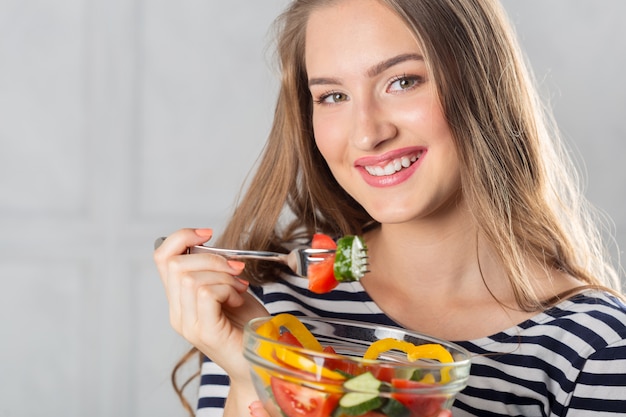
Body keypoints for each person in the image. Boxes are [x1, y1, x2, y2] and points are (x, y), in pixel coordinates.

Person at [153, 0, 626, 416]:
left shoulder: (595, 345)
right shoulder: (269, 307)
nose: (367, 133)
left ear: (483, 85)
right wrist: (255, 368)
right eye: (333, 96)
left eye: (402, 81)